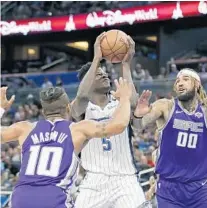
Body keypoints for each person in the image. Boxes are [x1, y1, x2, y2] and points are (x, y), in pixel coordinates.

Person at [0, 78, 132, 208]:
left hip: (21, 198)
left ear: (44, 112)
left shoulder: (25, 128)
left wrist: (0, 108)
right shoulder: (77, 129)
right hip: (53, 197)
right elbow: (118, 125)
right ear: (68, 107)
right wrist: (125, 98)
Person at [71, 33, 148, 208]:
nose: (105, 75)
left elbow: (134, 103)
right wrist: (97, 58)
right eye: (99, 74)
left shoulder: (120, 103)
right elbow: (81, 95)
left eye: (104, 72)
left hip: (125, 179)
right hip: (94, 181)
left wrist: (126, 64)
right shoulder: (82, 109)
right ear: (87, 82)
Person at [133, 68, 207, 208]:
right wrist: (138, 115)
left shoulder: (204, 112)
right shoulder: (166, 106)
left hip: (199, 188)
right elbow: (137, 126)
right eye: (178, 81)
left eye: (185, 79)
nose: (180, 83)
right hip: (169, 189)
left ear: (197, 84)